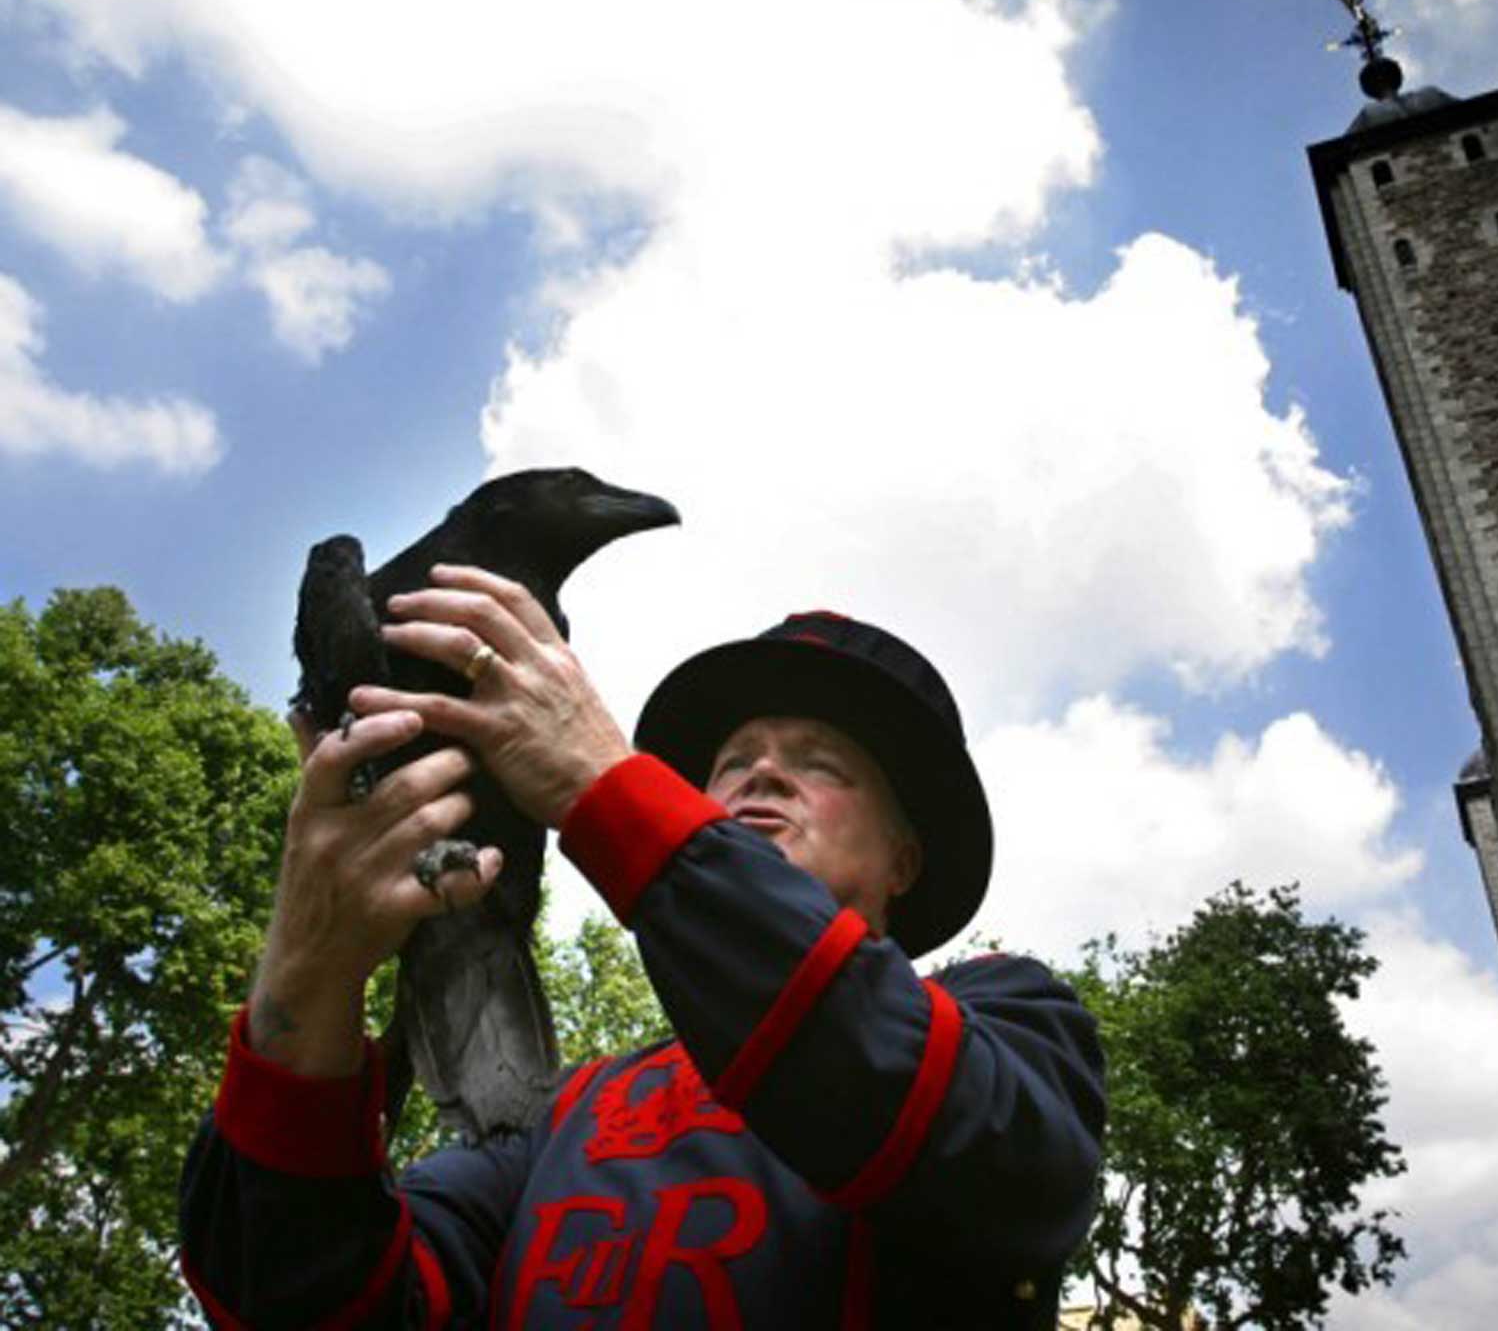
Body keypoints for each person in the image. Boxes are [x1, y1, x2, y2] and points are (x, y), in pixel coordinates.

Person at [178, 565, 1105, 1328]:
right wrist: (310, 968)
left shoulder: (1010, 1017)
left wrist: (602, 787)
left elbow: (980, 1154)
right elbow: (303, 1303)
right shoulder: (569, 1115)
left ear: (904, 858)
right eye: (733, 762)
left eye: (819, 763)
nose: (763, 771)